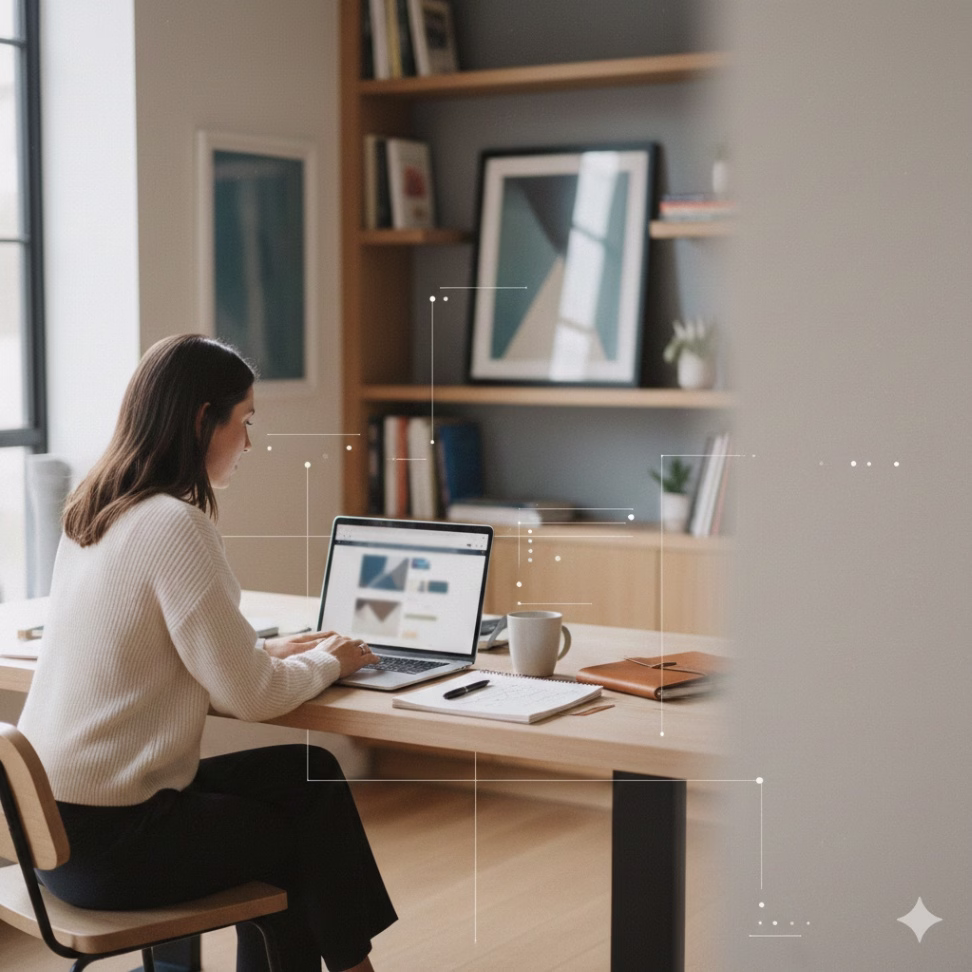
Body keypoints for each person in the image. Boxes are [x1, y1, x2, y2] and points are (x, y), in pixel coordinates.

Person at [17, 334, 396, 972]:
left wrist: (265, 648)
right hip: (111, 843)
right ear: (202, 420)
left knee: (312, 778)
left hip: (54, 832)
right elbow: (249, 696)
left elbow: (168, 649)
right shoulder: (175, 524)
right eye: (244, 421)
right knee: (304, 836)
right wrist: (335, 661)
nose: (248, 443)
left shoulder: (98, 508)